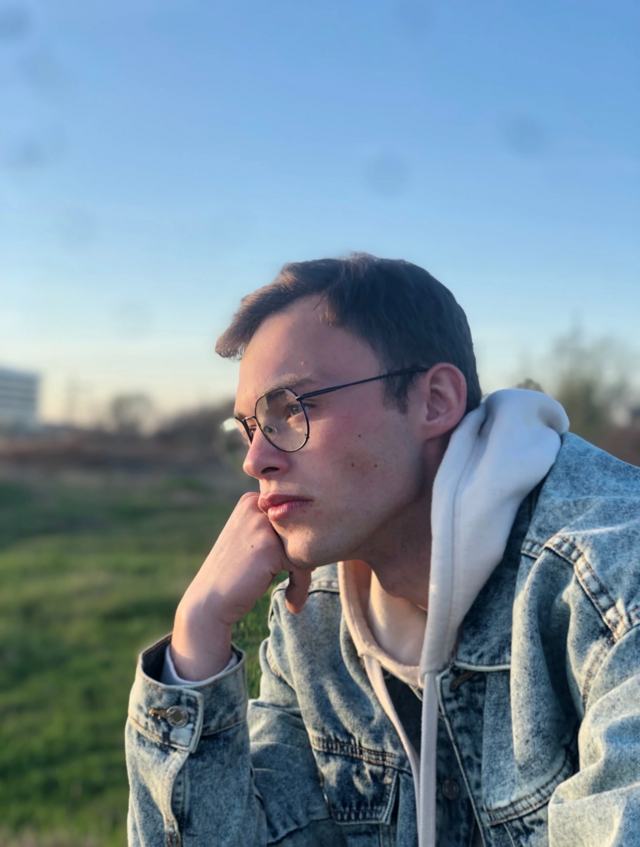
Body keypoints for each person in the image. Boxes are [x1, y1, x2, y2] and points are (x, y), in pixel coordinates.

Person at [125, 254, 640, 847]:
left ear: (435, 400)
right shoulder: (316, 616)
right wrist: (197, 638)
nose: (255, 460)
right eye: (248, 427)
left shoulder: (611, 588)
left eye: (291, 409)